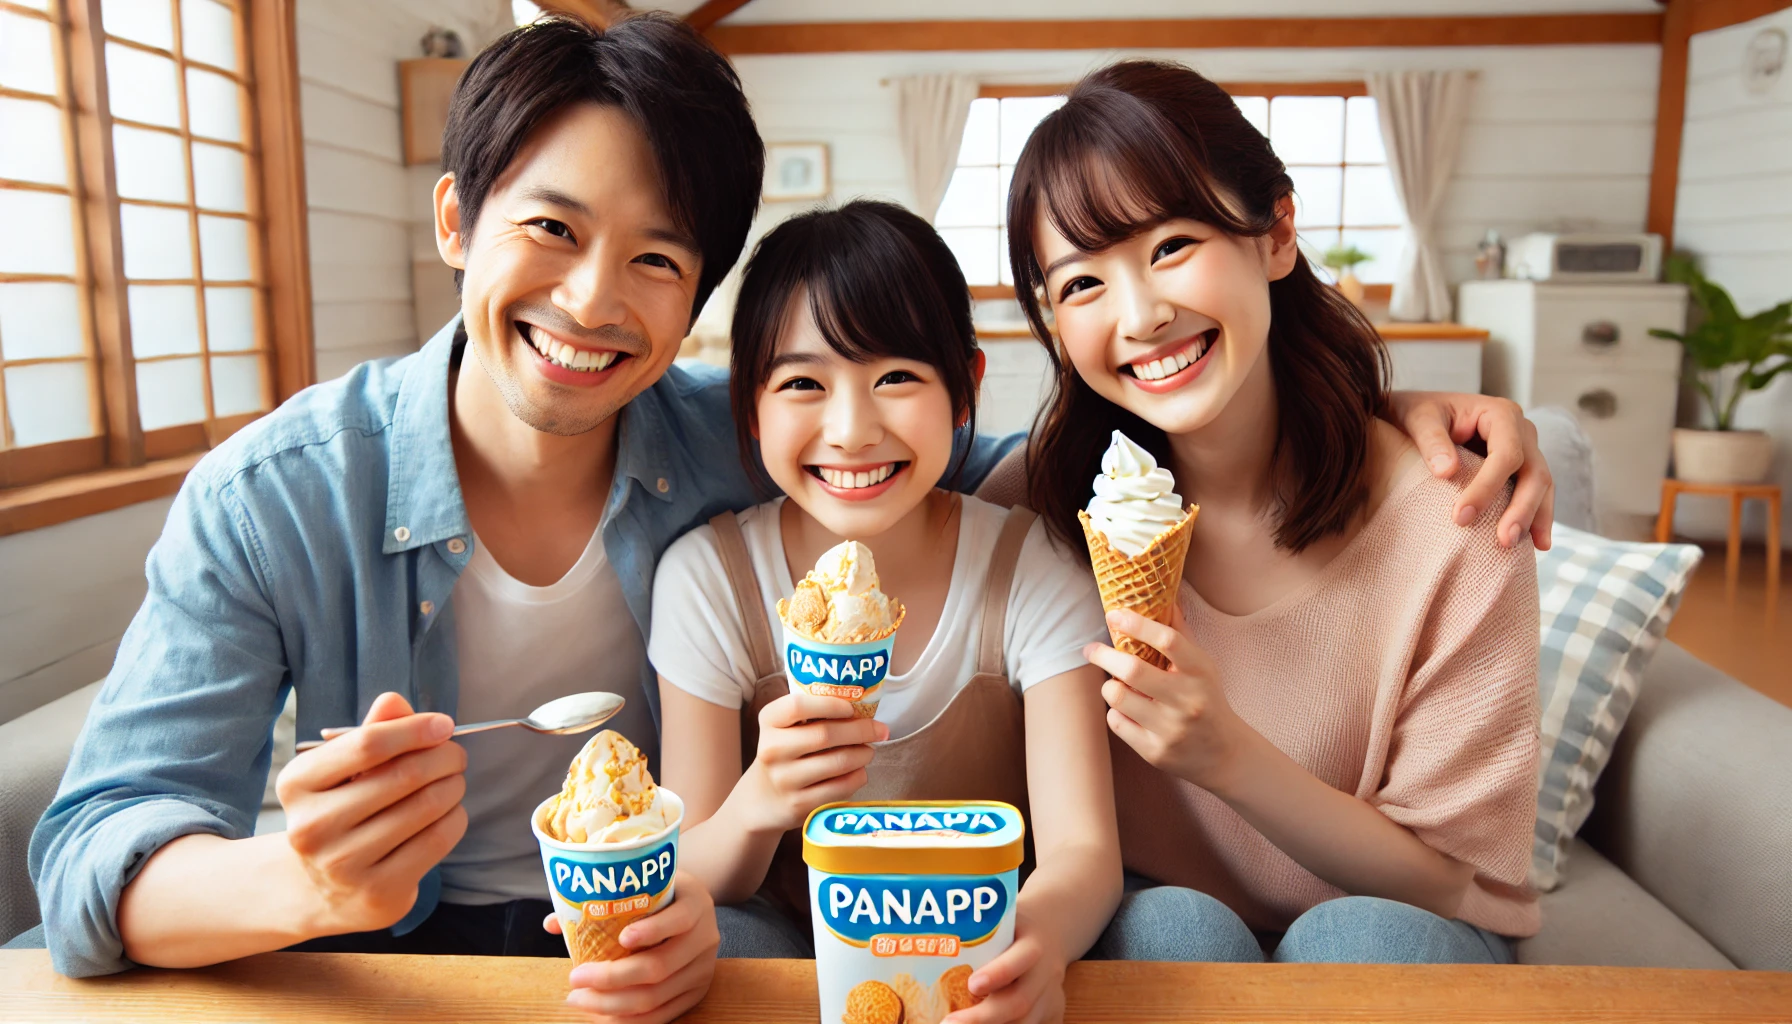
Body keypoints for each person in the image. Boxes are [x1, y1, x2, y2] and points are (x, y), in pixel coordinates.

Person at [20, 12, 1548, 1021]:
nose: (593, 302)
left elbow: (1032, 453)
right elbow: (88, 858)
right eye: (551, 232)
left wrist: (1391, 407)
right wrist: (307, 881)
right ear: (453, 221)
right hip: (369, 957)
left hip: (667, 941)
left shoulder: (772, 461)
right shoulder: (287, 497)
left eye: (658, 262)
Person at [1002, 60, 1542, 965]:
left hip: (1404, 920)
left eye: (1171, 245)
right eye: (1081, 285)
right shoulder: (1046, 505)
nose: (1140, 315)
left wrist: (1226, 757)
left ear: (1276, 232)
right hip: (1165, 918)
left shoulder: (1460, 518)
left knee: (1356, 939)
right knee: (1170, 926)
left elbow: (1459, 881)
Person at [652, 201, 1120, 1024]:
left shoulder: (1030, 566)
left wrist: (1033, 945)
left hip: (984, 940)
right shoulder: (710, 577)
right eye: (803, 383)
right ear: (750, 405)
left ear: (965, 386)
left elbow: (1083, 850)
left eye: (896, 378)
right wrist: (761, 800)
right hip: (794, 940)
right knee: (730, 940)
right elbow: (687, 869)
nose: (852, 429)